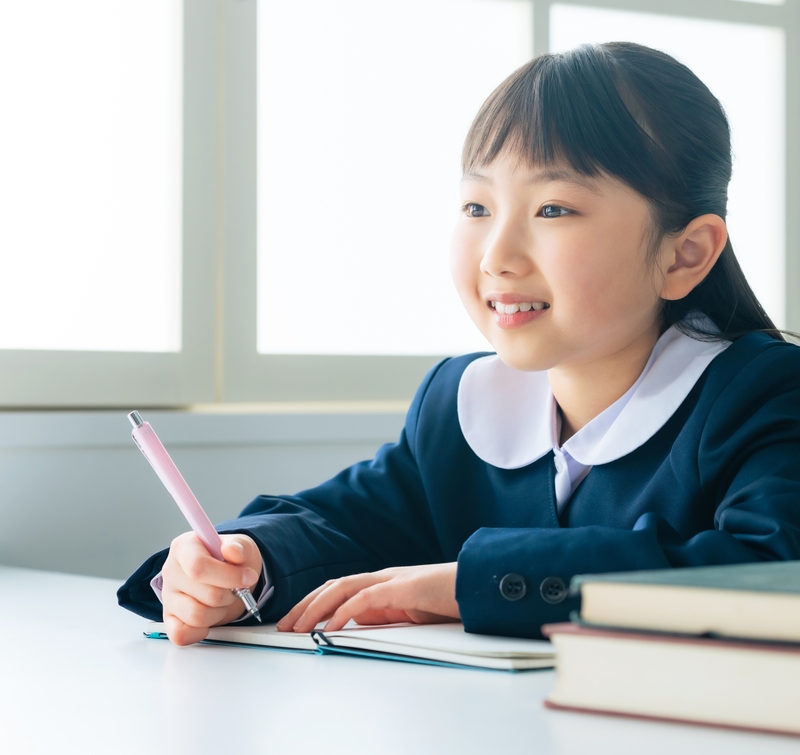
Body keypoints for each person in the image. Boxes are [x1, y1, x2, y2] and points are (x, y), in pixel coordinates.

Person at [118, 42, 800, 645]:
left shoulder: (765, 393)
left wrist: (464, 583)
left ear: (685, 254)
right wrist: (243, 564)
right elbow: (343, 528)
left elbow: (769, 574)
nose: (497, 255)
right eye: (477, 208)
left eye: (553, 209)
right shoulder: (462, 403)